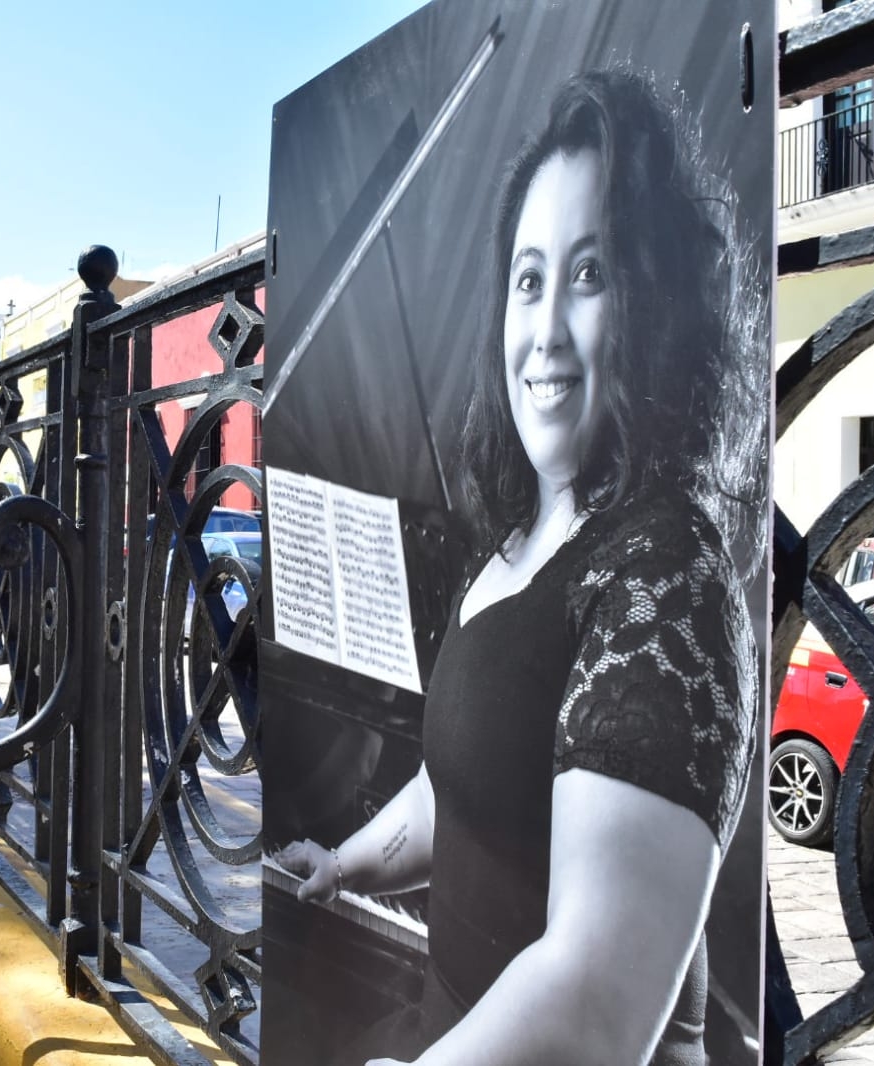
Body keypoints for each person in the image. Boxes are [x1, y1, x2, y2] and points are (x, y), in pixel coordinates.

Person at [276, 70, 764, 1066]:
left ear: (653, 303)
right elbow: (450, 787)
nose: (543, 334)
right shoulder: (518, 544)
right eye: (528, 279)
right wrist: (341, 865)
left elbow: (591, 1001)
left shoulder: (670, 577)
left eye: (590, 275)